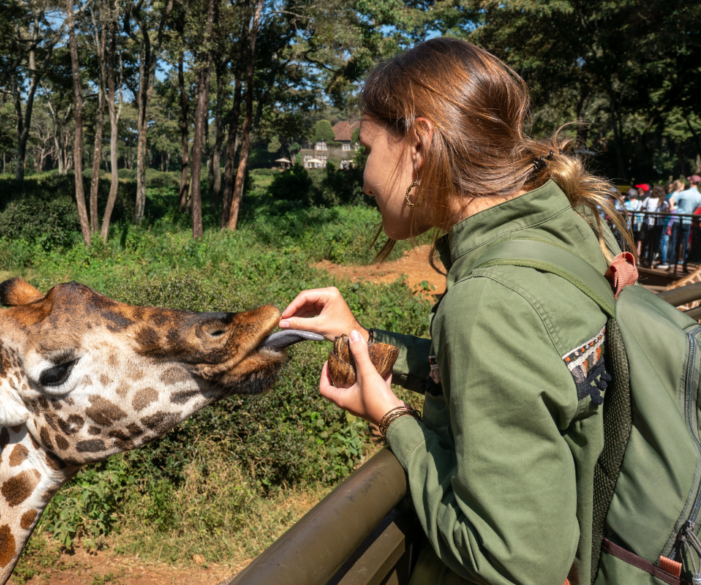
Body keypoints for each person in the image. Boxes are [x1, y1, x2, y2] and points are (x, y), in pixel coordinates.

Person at [279, 38, 636, 584]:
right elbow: (525, 372)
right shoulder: (561, 230)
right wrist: (362, 336)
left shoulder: (488, 300)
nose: (365, 176)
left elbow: (515, 561)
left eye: (370, 150)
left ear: (418, 144)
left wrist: (391, 417)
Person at [670, 175, 701, 267]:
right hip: (688, 221)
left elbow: (672, 200)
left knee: (674, 241)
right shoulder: (699, 196)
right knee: (685, 242)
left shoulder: (683, 193)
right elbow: (697, 210)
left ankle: (671, 263)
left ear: (691, 182)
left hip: (679, 220)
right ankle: (685, 264)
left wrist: (672, 207)